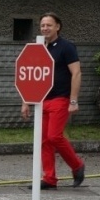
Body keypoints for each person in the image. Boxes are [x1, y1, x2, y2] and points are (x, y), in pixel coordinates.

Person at [21, 12, 85, 190]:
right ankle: (49, 179)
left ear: (58, 27)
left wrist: (73, 100)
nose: (45, 28)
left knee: (54, 136)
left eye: (49, 25)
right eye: (42, 25)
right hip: (42, 101)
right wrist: (26, 101)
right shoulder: (40, 48)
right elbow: (31, 76)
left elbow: (76, 73)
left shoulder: (66, 47)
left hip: (60, 99)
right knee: (44, 140)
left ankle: (77, 166)